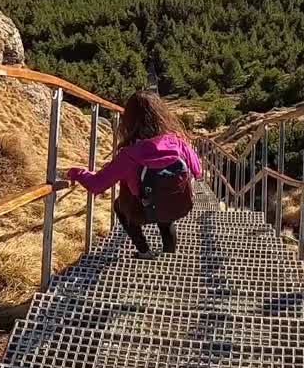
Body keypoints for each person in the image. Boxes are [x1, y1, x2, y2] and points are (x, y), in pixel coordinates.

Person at [66, 90, 202, 259]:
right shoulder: (179, 142)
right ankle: (170, 257)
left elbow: (96, 185)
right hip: (178, 205)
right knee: (166, 217)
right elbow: (197, 171)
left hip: (143, 210)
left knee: (119, 206)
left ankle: (144, 251)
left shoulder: (129, 154)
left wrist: (76, 173)